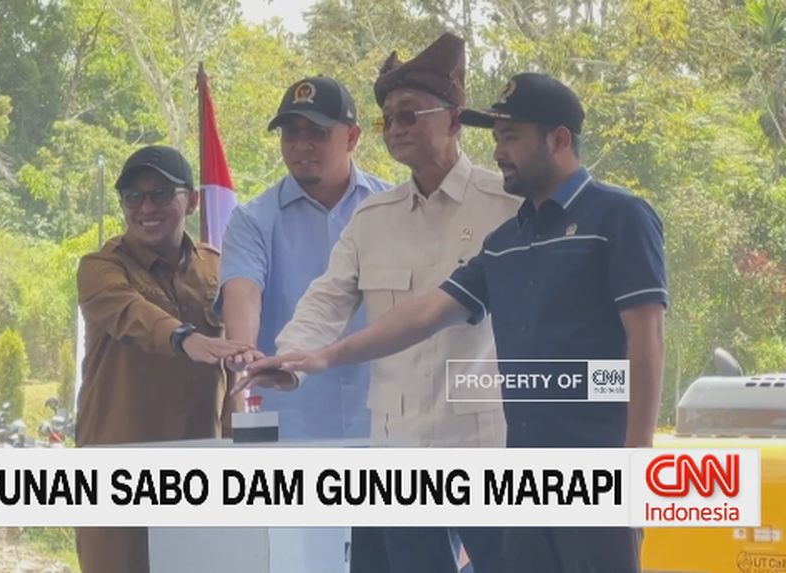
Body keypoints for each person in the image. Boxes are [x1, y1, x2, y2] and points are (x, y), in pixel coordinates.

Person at [245, 73, 667, 573]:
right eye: (497, 139)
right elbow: (422, 313)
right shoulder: (507, 239)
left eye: (510, 137)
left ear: (558, 140)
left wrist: (636, 458)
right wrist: (318, 356)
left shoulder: (611, 215)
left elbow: (646, 340)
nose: (500, 152)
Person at [234, 33, 517, 573]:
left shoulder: (507, 205)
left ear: (455, 120)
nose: (397, 129)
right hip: (397, 450)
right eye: (388, 118)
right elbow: (326, 300)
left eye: (410, 115)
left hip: (484, 446)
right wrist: (291, 358)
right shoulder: (374, 218)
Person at [217, 75, 391, 571]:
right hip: (294, 437)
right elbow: (242, 289)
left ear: (352, 137)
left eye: (317, 132)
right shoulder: (253, 219)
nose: (301, 145)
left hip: (384, 431)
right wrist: (245, 350)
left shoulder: (392, 209)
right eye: (291, 133)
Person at [74, 145, 250, 573]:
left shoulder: (216, 268)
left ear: (191, 201)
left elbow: (234, 372)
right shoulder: (101, 268)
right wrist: (183, 337)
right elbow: (131, 312)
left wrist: (238, 448)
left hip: (200, 474)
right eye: (133, 197)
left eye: (161, 194)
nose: (146, 208)